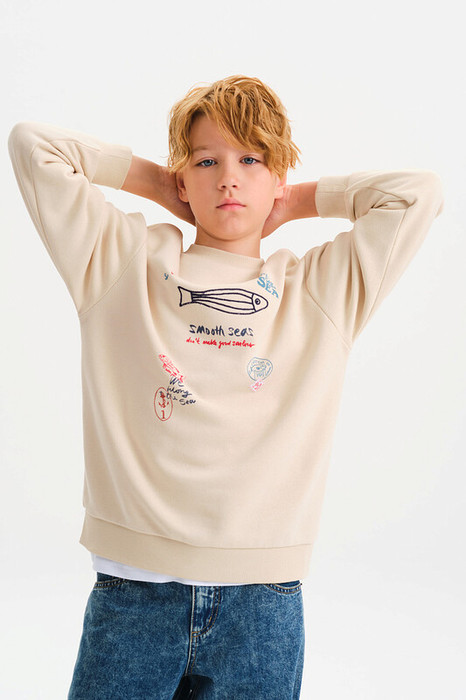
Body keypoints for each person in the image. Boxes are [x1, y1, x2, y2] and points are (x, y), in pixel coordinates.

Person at [8, 75, 444, 699]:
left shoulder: (318, 290)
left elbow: (417, 195)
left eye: (251, 161)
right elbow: (34, 145)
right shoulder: (122, 262)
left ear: (278, 176)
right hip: (134, 592)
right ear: (182, 178)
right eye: (206, 161)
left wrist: (294, 201)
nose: (229, 180)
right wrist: (162, 185)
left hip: (262, 603)